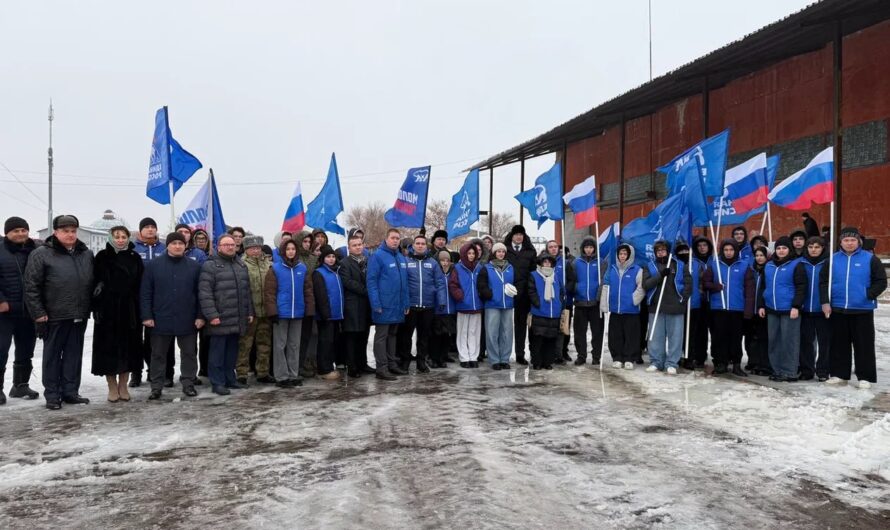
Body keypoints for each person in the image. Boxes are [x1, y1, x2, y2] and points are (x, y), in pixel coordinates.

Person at [24, 215, 94, 410]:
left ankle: (70, 391)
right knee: (52, 356)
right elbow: (31, 287)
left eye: (73, 231)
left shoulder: (85, 254)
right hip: (54, 315)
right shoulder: (41, 254)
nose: (70, 234)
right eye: (65, 231)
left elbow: (92, 280)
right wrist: (38, 313)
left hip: (79, 313)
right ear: (55, 232)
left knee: (74, 355)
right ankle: (53, 394)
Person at [140, 232, 204, 400]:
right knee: (158, 354)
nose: (177, 246)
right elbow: (146, 293)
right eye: (174, 243)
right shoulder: (153, 266)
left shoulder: (194, 267)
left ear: (185, 246)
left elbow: (200, 294)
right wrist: (147, 316)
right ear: (167, 245)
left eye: (180, 243)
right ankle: (156, 386)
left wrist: (200, 316)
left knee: (189, 353)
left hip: (188, 319)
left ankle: (188, 383)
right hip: (161, 318)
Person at [821, 226, 887, 388]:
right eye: (846, 240)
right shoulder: (832, 259)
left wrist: (868, 294)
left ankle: (865, 377)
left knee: (863, 344)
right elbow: (823, 282)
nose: (849, 243)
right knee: (839, 343)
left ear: (859, 242)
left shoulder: (870, 259)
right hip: (838, 308)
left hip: (862, 308)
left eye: (853, 240)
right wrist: (825, 302)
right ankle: (839, 374)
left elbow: (881, 281)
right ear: (840, 242)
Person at [92, 226, 144, 402]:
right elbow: (94, 282)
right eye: (117, 237)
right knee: (108, 349)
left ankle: (124, 384)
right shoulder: (102, 257)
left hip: (130, 310)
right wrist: (97, 305)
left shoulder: (135, 257)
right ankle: (112, 386)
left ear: (129, 238)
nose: (120, 240)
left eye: (123, 237)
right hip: (108, 311)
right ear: (111, 238)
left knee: (129, 349)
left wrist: (140, 308)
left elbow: (140, 285)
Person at [199, 234, 254, 395]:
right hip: (219, 318)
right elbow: (205, 293)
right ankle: (217, 382)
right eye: (226, 245)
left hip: (237, 318)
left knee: (232, 352)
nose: (230, 247)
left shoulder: (240, 265)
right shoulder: (210, 266)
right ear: (219, 247)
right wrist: (212, 315)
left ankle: (230, 379)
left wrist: (249, 311)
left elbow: (246, 291)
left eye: (232, 245)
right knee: (217, 353)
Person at [264, 239, 313, 388]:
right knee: (280, 345)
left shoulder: (302, 268)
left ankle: (293, 374)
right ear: (283, 251)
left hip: (297, 312)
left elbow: (308, 290)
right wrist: (272, 312)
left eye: (293, 249)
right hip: (281, 313)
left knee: (294, 345)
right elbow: (269, 293)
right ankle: (281, 376)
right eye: (288, 249)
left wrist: (309, 309)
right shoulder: (276, 268)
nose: (291, 251)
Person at [0, 216, 39, 403]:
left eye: (23, 230)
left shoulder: (36, 251)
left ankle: (20, 385)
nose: (20, 233)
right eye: (16, 231)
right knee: (1, 349)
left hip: (28, 309)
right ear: (7, 233)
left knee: (26, 349)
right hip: (4, 311)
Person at [703, 240, 755, 376]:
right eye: (726, 250)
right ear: (722, 251)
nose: (728, 252)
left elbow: (749, 290)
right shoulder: (715, 265)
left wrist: (748, 311)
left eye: (731, 250)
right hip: (718, 307)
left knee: (736, 338)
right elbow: (705, 283)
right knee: (719, 337)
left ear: (736, 251)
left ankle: (737, 364)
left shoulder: (744, 266)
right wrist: (716, 286)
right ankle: (721, 363)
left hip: (737, 308)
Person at [758, 237, 806, 382]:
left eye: (784, 248)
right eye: (778, 248)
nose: (781, 251)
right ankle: (777, 369)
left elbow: (801, 287)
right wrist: (761, 305)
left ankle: (790, 371)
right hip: (772, 308)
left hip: (789, 309)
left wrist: (796, 306)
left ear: (789, 249)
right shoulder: (769, 265)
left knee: (789, 341)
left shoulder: (796, 264)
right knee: (774, 340)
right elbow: (763, 287)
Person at [642, 241, 692, 375]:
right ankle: (656, 361)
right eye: (658, 251)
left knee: (675, 337)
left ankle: (672, 363)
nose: (660, 253)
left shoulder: (680, 265)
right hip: (656, 306)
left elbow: (688, 284)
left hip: (675, 306)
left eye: (663, 250)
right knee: (656, 337)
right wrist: (660, 275)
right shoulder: (650, 266)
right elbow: (646, 285)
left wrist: (682, 300)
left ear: (669, 251)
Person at [132, 217, 170, 388]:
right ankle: (135, 373)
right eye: (146, 227)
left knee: (152, 340)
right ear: (140, 231)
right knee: (134, 339)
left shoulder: (163, 248)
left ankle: (152, 371)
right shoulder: (132, 248)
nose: (149, 230)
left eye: (152, 227)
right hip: (134, 299)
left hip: (157, 300)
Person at [367, 228, 409, 380]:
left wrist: (406, 303)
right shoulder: (377, 256)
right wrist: (375, 303)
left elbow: (405, 284)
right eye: (392, 238)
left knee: (393, 335)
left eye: (397, 238)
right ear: (386, 239)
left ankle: (392, 364)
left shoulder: (400, 257)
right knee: (381, 336)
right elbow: (371, 282)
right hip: (383, 305)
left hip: (398, 305)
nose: (395, 240)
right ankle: (381, 368)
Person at [600, 244, 644, 370]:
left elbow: (641, 287)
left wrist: (633, 300)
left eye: (625, 254)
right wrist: (604, 304)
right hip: (615, 309)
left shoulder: (637, 270)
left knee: (631, 335)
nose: (622, 256)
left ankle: (629, 358)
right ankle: (617, 357)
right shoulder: (612, 269)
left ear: (630, 255)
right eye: (620, 254)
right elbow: (605, 287)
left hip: (631, 310)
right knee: (615, 335)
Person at [236, 236, 273, 385]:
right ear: (246, 250)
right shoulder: (241, 264)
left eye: (258, 248)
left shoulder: (268, 264)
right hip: (249, 312)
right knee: (245, 345)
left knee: (264, 344)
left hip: (265, 311)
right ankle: (241, 373)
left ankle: (263, 372)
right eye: (252, 248)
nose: (256, 250)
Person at [398, 235, 437, 373]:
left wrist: (440, 300)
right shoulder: (405, 261)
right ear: (413, 246)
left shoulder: (433, 262)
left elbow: (439, 283)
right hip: (411, 305)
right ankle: (405, 361)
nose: (420, 245)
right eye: (418, 243)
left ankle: (421, 361)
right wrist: (404, 302)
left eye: (423, 243)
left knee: (424, 336)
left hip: (427, 305)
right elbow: (402, 283)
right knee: (406, 336)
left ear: (426, 246)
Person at [337, 234, 375, 378]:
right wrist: (368, 291)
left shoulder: (367, 261)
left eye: (360, 244)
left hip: (365, 306)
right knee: (352, 337)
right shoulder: (344, 263)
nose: (358, 247)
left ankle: (362, 363)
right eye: (355, 245)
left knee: (363, 336)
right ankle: (352, 366)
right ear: (349, 247)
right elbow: (348, 282)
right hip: (352, 305)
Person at [478, 242, 515, 370]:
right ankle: (494, 360)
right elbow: (481, 285)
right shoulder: (487, 268)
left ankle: (504, 359)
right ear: (494, 253)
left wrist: (515, 290)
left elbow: (516, 282)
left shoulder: (510, 267)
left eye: (503, 251)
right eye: (498, 251)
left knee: (507, 333)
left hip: (508, 304)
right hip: (492, 304)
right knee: (492, 333)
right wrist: (489, 294)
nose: (501, 253)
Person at [503, 225, 537, 365]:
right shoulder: (504, 250)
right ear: (512, 235)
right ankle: (503, 354)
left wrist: (528, 290)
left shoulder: (530, 251)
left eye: (521, 234)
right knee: (504, 325)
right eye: (516, 234)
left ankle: (520, 354)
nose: (518, 237)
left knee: (521, 325)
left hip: (524, 295)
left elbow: (533, 273)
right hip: (506, 293)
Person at [799, 236, 830, 381]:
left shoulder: (829, 263)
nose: (813, 250)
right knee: (806, 342)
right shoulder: (801, 263)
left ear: (822, 248)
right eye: (811, 247)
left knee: (825, 342)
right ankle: (807, 370)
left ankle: (823, 371)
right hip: (805, 309)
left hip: (823, 310)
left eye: (817, 247)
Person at [528, 254, 564, 370]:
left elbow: (561, 292)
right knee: (538, 340)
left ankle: (547, 362)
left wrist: (559, 304)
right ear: (540, 263)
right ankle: (537, 362)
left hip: (554, 313)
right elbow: (531, 291)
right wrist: (538, 304)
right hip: (539, 312)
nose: (547, 264)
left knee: (550, 339)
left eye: (549, 262)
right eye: (545, 262)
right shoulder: (534, 275)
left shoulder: (556, 276)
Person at [312, 245, 344, 381]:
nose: (331, 259)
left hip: (337, 314)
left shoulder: (336, 272)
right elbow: (321, 295)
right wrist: (325, 314)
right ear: (322, 258)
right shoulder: (319, 273)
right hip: (326, 315)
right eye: (328, 257)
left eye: (332, 257)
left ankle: (330, 365)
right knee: (325, 342)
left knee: (333, 342)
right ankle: (324, 369)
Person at [449, 242, 483, 368]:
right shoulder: (457, 268)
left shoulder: (479, 268)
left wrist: (481, 295)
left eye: (473, 253)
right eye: (469, 253)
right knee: (463, 332)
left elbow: (483, 284)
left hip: (477, 306)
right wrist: (460, 296)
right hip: (463, 305)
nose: (471, 255)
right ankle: (464, 357)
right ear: (464, 254)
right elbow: (453, 285)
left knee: (474, 332)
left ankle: (473, 356)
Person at [572, 237, 604, 366]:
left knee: (597, 332)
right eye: (586, 247)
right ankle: (581, 355)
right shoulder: (576, 263)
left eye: (591, 247)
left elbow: (603, 281)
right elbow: (572, 280)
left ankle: (596, 356)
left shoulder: (601, 262)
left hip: (595, 303)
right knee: (579, 332)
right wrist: (576, 290)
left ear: (594, 249)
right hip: (580, 303)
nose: (589, 250)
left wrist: (598, 297)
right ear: (583, 248)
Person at [674, 242, 703, 371]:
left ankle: (689, 357)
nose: (683, 254)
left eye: (686, 251)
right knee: (677, 333)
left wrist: (700, 295)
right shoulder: (674, 264)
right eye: (681, 252)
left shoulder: (697, 265)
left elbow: (702, 283)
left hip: (694, 304)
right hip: (678, 304)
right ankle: (677, 356)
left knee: (691, 333)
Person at [295, 229, 319, 378]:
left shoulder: (312, 258)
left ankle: (303, 364)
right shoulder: (295, 257)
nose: (307, 244)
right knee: (295, 338)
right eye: (304, 241)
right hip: (297, 302)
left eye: (309, 242)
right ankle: (295, 366)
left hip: (310, 301)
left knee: (306, 336)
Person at [746, 247, 772, 376]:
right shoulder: (752, 270)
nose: (759, 258)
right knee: (753, 339)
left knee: (764, 338)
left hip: (764, 309)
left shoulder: (770, 269)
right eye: (757, 255)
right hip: (752, 310)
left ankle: (765, 365)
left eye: (762, 255)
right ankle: (754, 362)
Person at [690, 236, 715, 369]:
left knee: (716, 331)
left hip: (715, 300)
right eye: (699, 245)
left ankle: (719, 357)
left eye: (705, 245)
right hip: (699, 301)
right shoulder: (692, 261)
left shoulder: (715, 260)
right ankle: (699, 357)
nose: (702, 247)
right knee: (700, 331)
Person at [431, 250, 457, 369]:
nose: (445, 263)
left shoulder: (453, 272)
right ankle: (434, 358)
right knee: (437, 335)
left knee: (447, 335)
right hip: (438, 309)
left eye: (447, 260)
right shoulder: (435, 272)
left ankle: (443, 357)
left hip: (450, 309)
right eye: (442, 260)